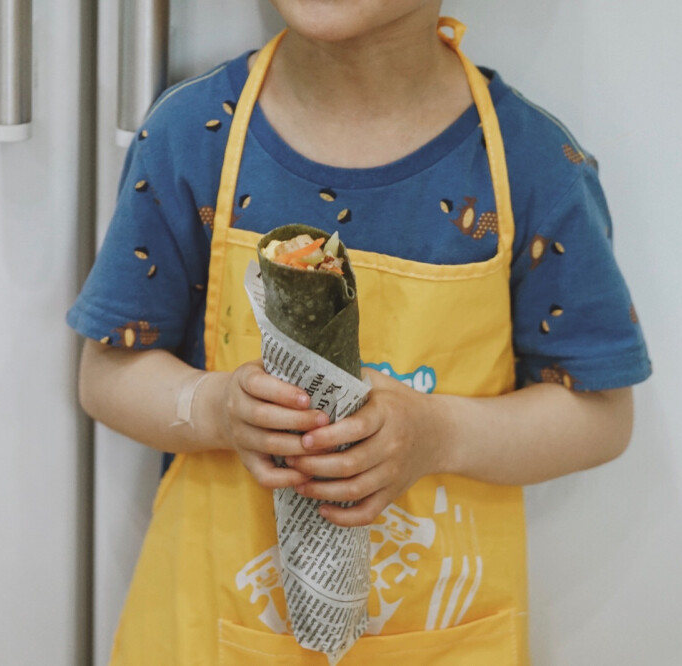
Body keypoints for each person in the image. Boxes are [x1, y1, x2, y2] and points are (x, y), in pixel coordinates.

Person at [68, 1, 651, 663]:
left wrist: (441, 433)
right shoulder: (193, 134)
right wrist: (214, 408)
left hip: (442, 637)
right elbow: (108, 372)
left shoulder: (532, 164)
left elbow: (599, 414)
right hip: (214, 632)